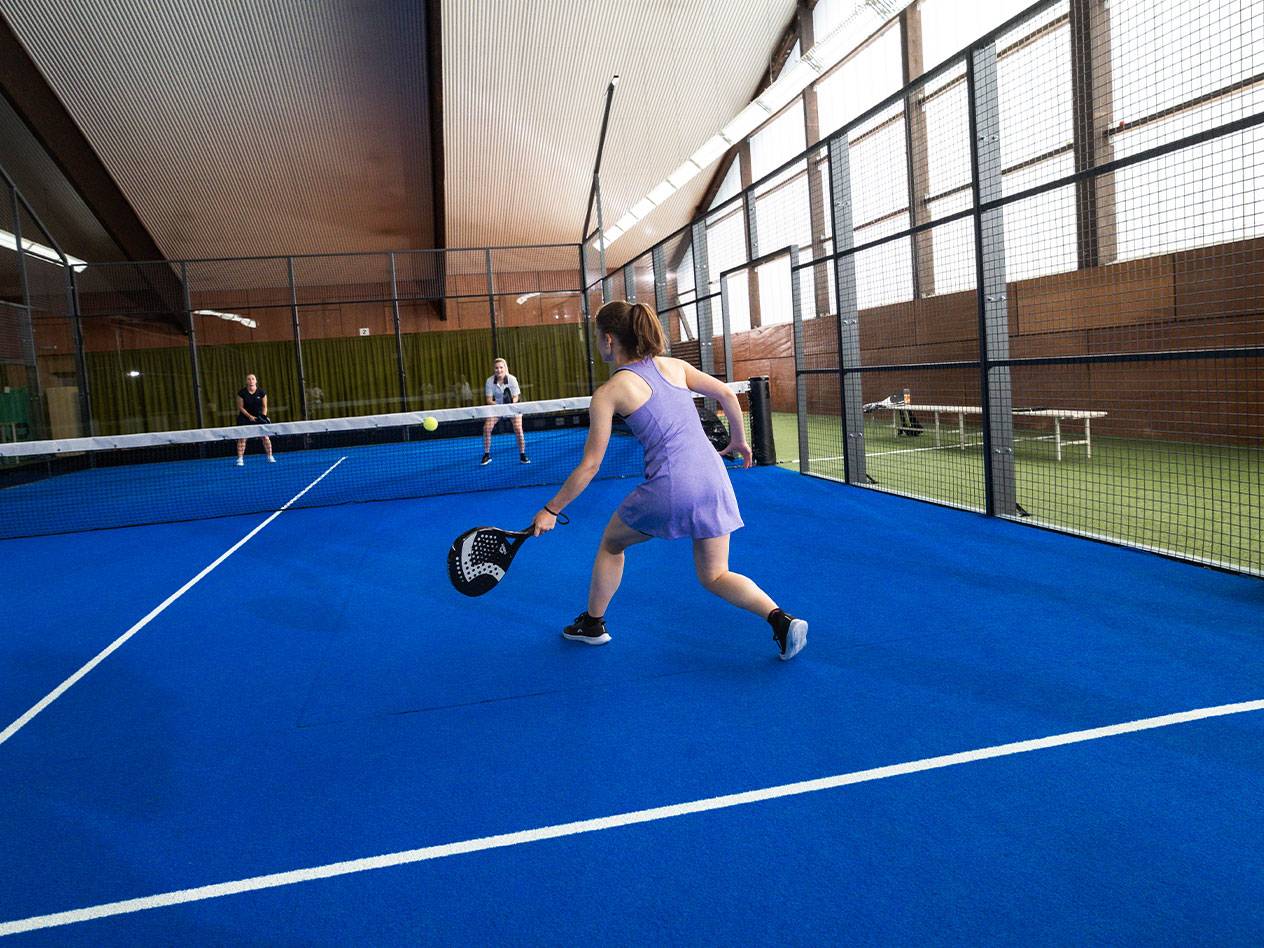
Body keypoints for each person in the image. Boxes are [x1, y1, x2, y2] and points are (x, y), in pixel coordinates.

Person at [530, 300, 807, 661]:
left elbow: (590, 465)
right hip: (714, 479)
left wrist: (551, 509)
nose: (597, 341)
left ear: (610, 340)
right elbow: (725, 392)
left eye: (597, 335)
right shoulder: (674, 366)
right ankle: (780, 620)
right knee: (715, 574)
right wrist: (738, 440)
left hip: (671, 487)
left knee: (612, 545)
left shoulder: (609, 392)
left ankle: (593, 624)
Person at [482, 357, 529, 465]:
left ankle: (522, 454)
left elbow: (516, 397)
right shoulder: (489, 381)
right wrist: (500, 405)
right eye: (496, 368)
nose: (499, 370)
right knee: (486, 428)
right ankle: (486, 454)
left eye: (501, 367)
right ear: (494, 369)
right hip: (497, 408)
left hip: (513, 407)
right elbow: (489, 400)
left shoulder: (512, 379)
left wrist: (510, 403)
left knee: (518, 428)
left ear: (505, 368)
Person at [235, 373, 276, 466]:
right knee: (242, 438)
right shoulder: (241, 393)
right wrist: (249, 416)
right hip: (245, 417)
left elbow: (265, 407)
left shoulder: (262, 392)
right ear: (246, 381)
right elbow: (241, 407)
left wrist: (262, 417)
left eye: (253, 379)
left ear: (256, 381)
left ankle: (270, 456)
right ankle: (240, 459)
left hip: (259, 416)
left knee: (265, 437)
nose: (251, 381)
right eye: (249, 379)